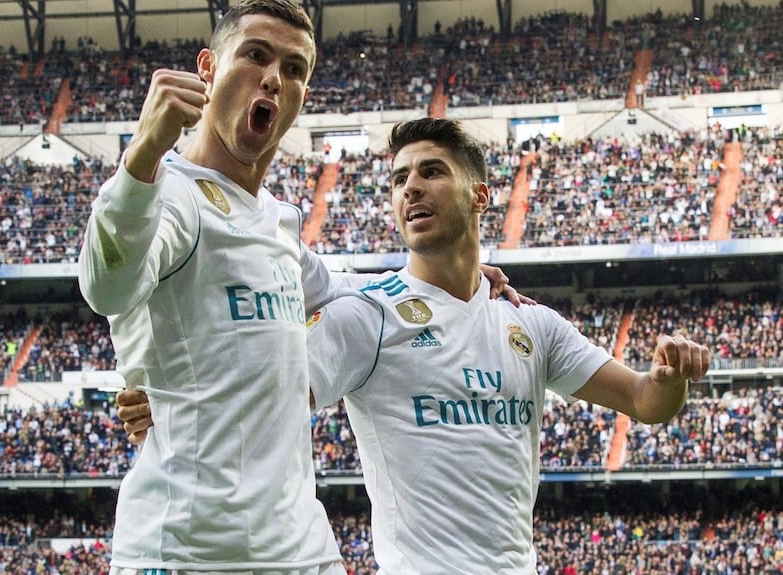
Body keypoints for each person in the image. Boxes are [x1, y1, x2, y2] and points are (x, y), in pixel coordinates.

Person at [119, 118, 711, 574]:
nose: (410, 189)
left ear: (480, 196)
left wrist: (669, 375)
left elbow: (644, 402)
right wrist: (175, 403)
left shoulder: (532, 324)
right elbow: (265, 401)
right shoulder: (367, 318)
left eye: (431, 172)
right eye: (399, 179)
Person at [78, 2, 521, 574]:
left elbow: (342, 288)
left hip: (298, 548)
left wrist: (447, 281)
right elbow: (106, 288)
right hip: (190, 548)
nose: (273, 78)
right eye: (255, 55)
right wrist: (142, 156)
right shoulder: (170, 195)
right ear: (208, 68)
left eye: (293, 69)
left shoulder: (277, 222)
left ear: (299, 99)